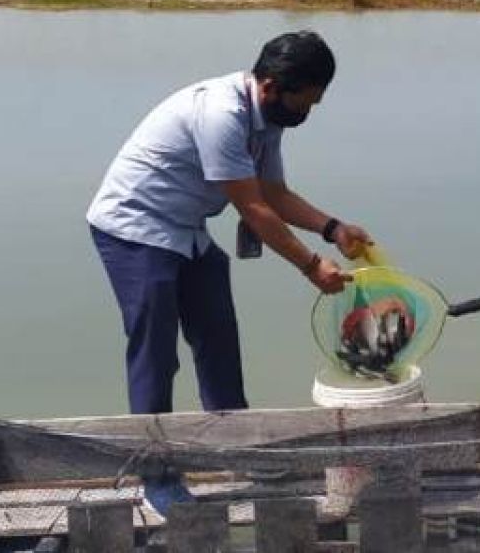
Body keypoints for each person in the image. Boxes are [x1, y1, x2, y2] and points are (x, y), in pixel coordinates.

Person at [87, 30, 372, 509]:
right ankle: (157, 476)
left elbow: (275, 194)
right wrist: (310, 266)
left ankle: (239, 446)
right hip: (134, 227)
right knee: (156, 352)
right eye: (308, 100)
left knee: (218, 333)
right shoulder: (221, 113)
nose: (310, 111)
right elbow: (254, 210)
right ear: (272, 87)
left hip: (186, 227)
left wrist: (333, 229)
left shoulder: (269, 120)